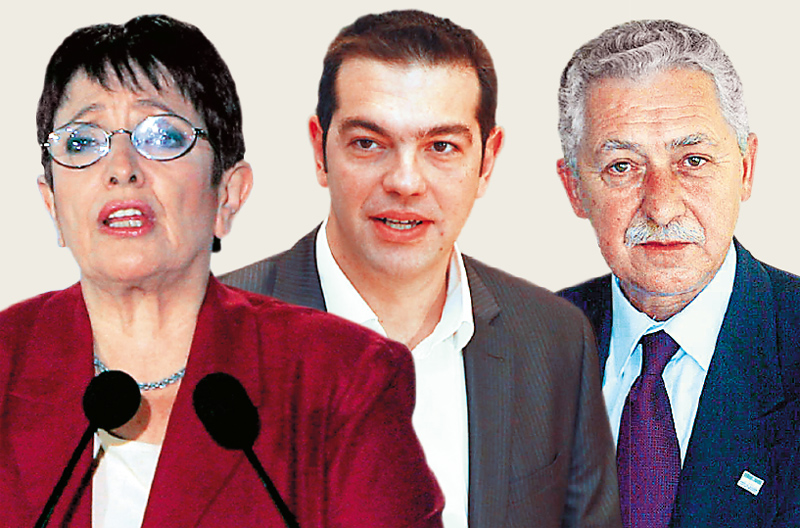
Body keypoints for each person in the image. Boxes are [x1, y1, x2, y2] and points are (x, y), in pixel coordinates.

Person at [0, 14, 444, 528]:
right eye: (83, 142)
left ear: (228, 195)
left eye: (162, 136)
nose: (121, 168)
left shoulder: (342, 381)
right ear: (52, 203)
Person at [221, 9, 620, 528]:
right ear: (320, 151)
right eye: (368, 143)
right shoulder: (208, 333)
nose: (405, 181)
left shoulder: (556, 340)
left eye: (441, 147)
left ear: (487, 161)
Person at [555, 19, 800, 528]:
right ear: (575, 187)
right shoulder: (518, 348)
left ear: (746, 168)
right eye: (622, 166)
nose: (662, 207)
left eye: (693, 159)